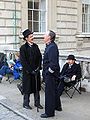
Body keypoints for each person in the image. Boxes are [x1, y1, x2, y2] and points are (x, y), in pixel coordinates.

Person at [40, 30, 62, 118]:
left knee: (49, 93)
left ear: (49, 37)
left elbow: (54, 64)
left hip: (50, 74)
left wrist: (48, 73)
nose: (43, 36)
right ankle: (57, 106)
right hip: (51, 74)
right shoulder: (50, 46)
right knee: (54, 90)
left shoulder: (52, 47)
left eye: (45, 35)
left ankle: (49, 112)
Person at [20, 29, 43, 110]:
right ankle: (26, 103)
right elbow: (23, 61)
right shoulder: (23, 48)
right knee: (27, 88)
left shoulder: (36, 46)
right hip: (28, 73)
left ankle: (37, 103)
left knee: (36, 88)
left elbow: (40, 57)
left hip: (36, 72)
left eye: (32, 36)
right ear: (26, 38)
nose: (32, 38)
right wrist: (30, 70)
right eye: (31, 36)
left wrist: (38, 68)